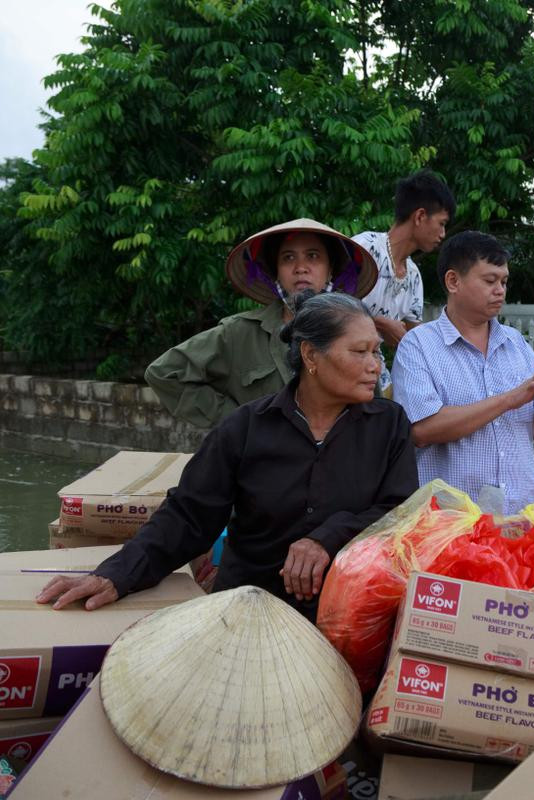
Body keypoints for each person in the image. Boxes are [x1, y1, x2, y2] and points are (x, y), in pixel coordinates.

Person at [37, 291, 419, 619]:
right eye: (360, 352)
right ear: (310, 356)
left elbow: (399, 512)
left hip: (348, 614)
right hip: (247, 607)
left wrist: (326, 538)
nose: (376, 366)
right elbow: (188, 516)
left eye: (376, 352)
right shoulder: (246, 428)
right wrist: (116, 574)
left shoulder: (388, 424)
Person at [390, 231, 534, 515]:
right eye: (489, 280)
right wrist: (509, 399)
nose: (500, 290)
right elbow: (422, 430)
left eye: (504, 281)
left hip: (521, 517)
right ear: (453, 281)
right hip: (451, 524)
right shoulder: (418, 345)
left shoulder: (515, 343)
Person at [144, 219, 378, 428]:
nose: (300, 268)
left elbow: (372, 407)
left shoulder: (355, 332)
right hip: (260, 467)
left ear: (330, 271)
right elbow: (165, 373)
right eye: (288, 258)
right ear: (276, 272)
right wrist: (238, 422)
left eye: (313, 256)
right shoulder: (240, 333)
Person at [352, 171, 455, 394]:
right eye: (441, 223)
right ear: (419, 216)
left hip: (375, 373)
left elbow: (414, 338)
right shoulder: (365, 249)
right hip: (338, 367)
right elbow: (325, 307)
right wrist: (379, 323)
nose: (443, 234)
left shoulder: (413, 276)